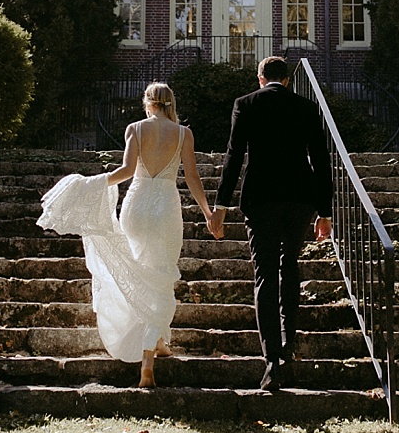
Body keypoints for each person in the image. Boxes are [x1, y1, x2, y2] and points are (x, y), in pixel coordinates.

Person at [37, 82, 212, 388]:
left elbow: (127, 170)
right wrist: (209, 212)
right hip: (165, 207)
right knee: (160, 275)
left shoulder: (135, 129)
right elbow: (193, 177)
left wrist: (93, 183)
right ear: (171, 103)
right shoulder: (184, 133)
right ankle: (148, 355)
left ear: (148, 103)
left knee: (141, 273)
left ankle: (157, 341)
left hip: (136, 206)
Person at [208, 56, 333, 392]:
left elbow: (234, 154)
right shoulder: (305, 108)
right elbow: (321, 159)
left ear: (260, 78)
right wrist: (325, 212)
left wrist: (220, 205)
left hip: (261, 198)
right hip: (299, 198)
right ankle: (288, 342)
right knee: (289, 265)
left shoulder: (245, 104)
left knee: (264, 272)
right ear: (288, 80)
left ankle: (272, 361)